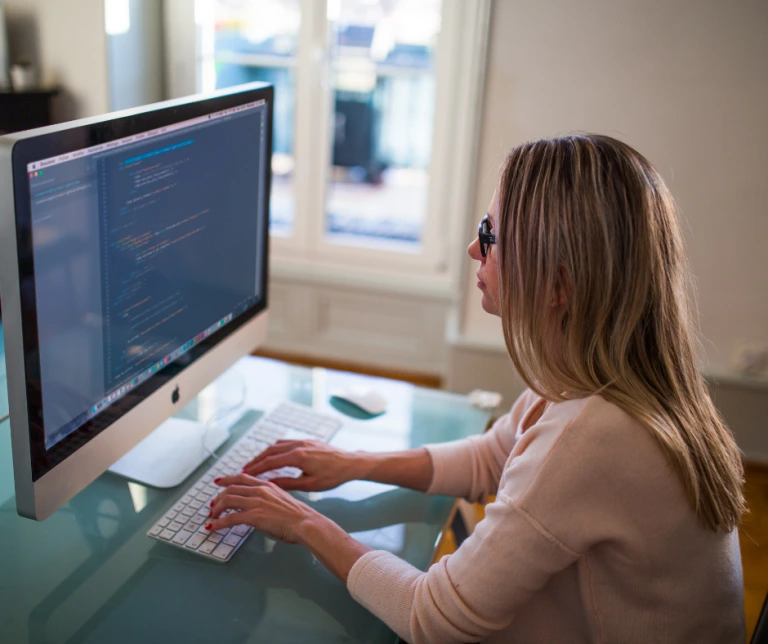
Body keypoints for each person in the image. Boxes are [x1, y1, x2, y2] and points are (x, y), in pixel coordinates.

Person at [206, 134, 746, 643]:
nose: (472, 248)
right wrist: (356, 463)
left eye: (489, 235)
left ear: (558, 284)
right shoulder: (605, 375)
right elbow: (493, 455)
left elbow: (431, 616)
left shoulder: (596, 435)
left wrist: (302, 522)